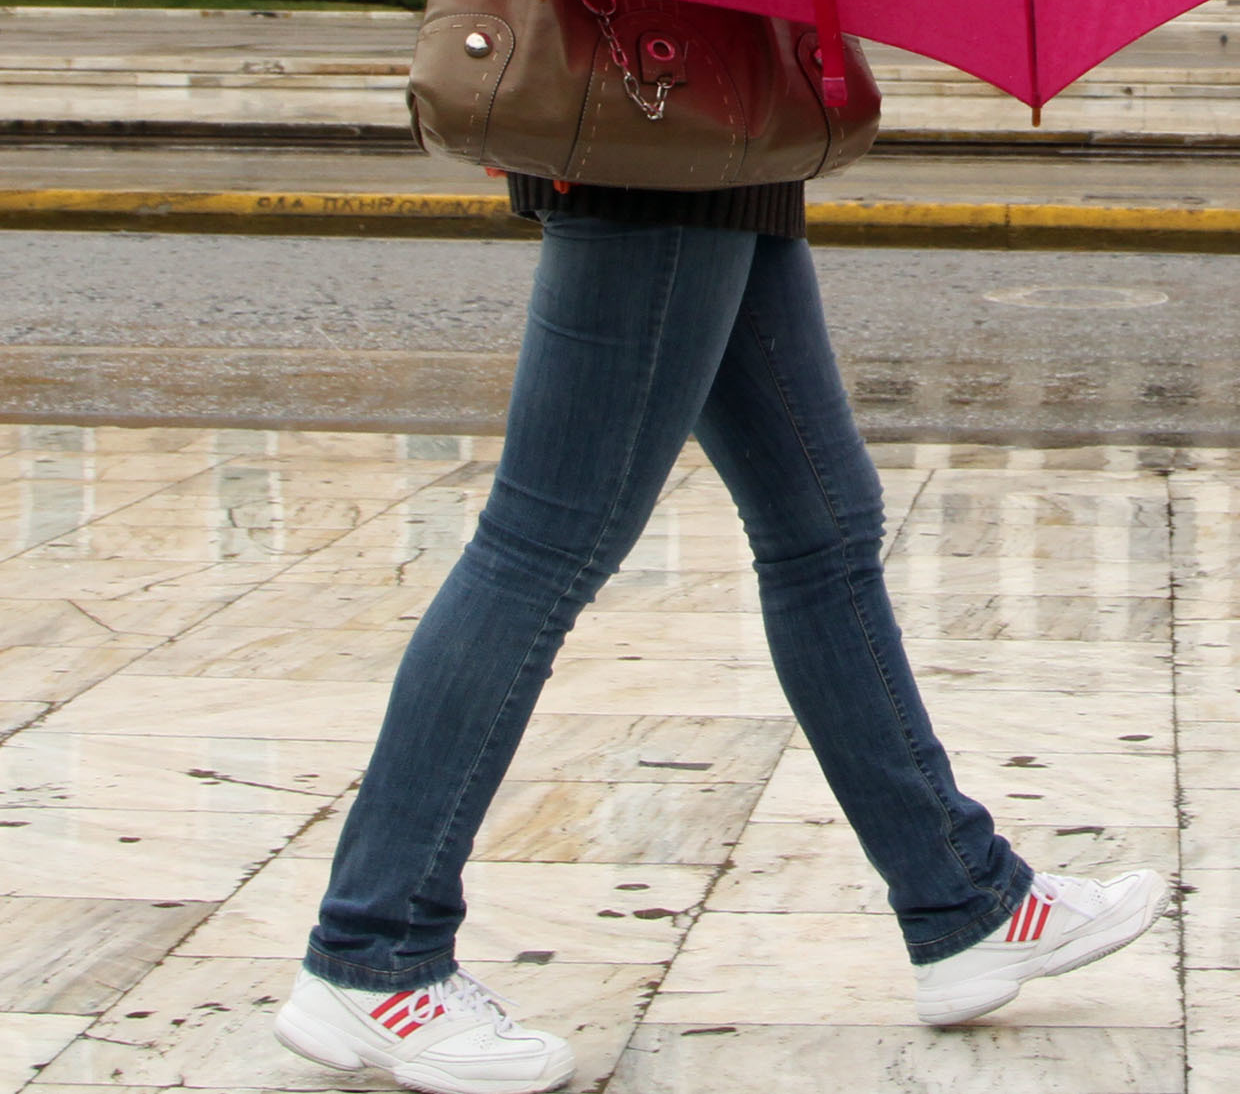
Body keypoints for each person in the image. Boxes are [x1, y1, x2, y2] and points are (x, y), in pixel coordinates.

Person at [278, 165, 1164, 1093]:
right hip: (662, 141)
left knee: (823, 528)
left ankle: (967, 901)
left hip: (730, 156)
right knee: (542, 543)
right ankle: (373, 954)